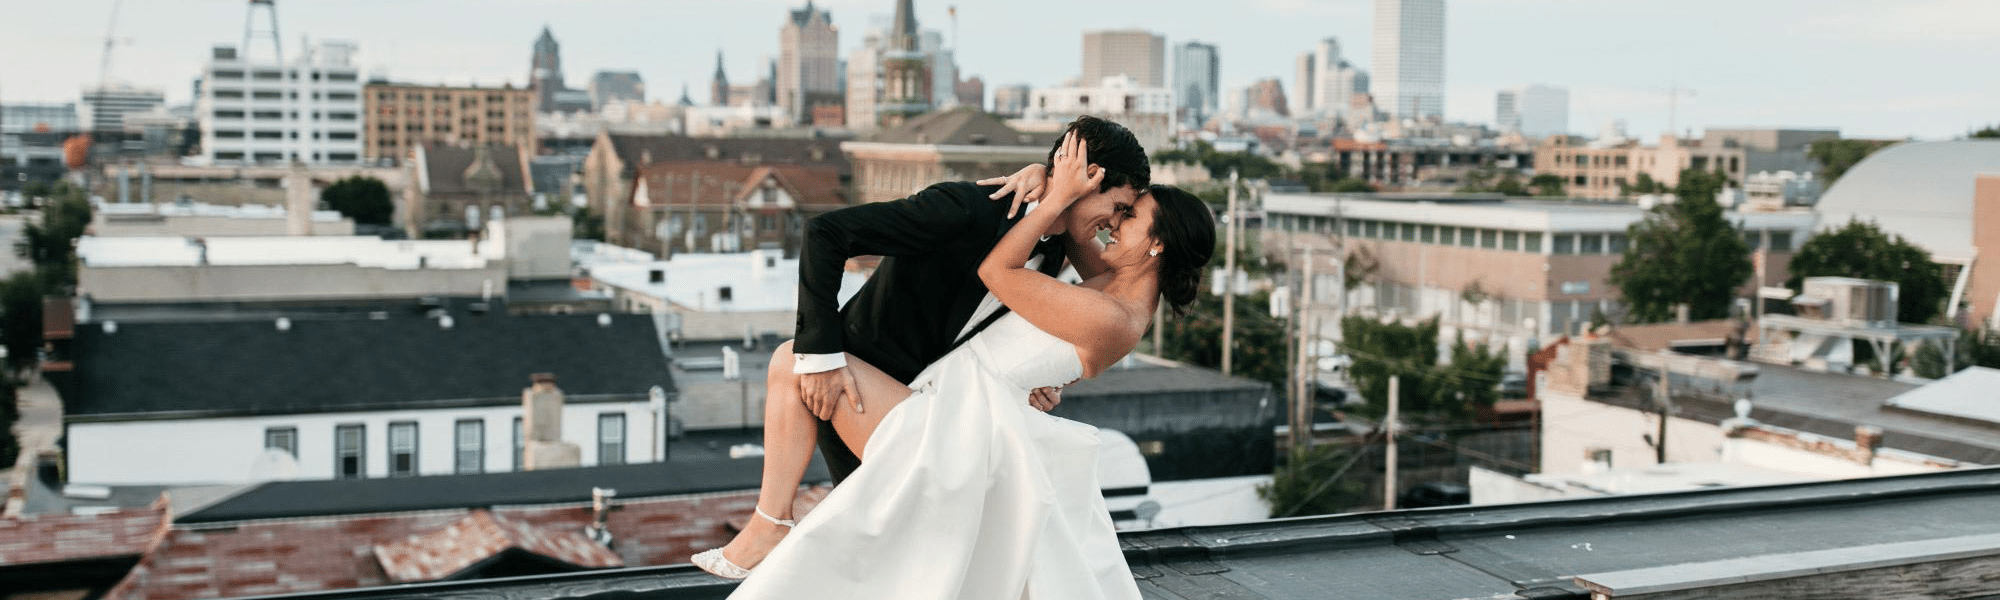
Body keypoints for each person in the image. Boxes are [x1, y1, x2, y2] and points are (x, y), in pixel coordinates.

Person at [694, 132, 1217, 598]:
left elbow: (1000, 273)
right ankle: (771, 523)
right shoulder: (1085, 264)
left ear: (1156, 244)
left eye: (1128, 217)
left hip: (951, 428)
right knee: (880, 558)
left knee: (793, 367)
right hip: (928, 397)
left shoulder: (1115, 311)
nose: (1114, 223)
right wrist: (1049, 181)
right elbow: (1071, 251)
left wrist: (1057, 193)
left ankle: (770, 522)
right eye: (1119, 207)